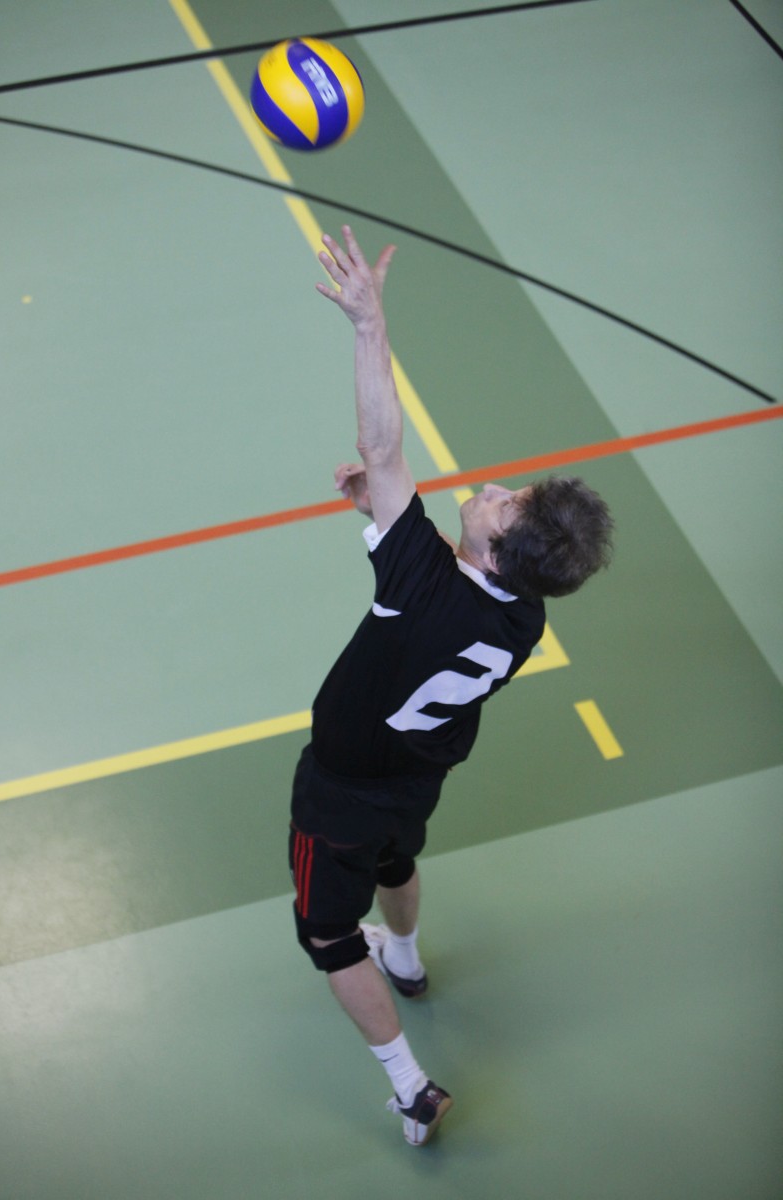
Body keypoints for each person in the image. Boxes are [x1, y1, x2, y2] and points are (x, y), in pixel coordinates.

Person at [289, 225, 614, 1146]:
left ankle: (409, 1086)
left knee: (327, 936)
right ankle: (407, 954)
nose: (497, 488)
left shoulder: (427, 584)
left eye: (507, 504)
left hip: (341, 789)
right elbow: (437, 571)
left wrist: (368, 324)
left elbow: (382, 443)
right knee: (395, 861)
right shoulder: (523, 616)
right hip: (416, 781)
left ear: (498, 551)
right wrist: (386, 521)